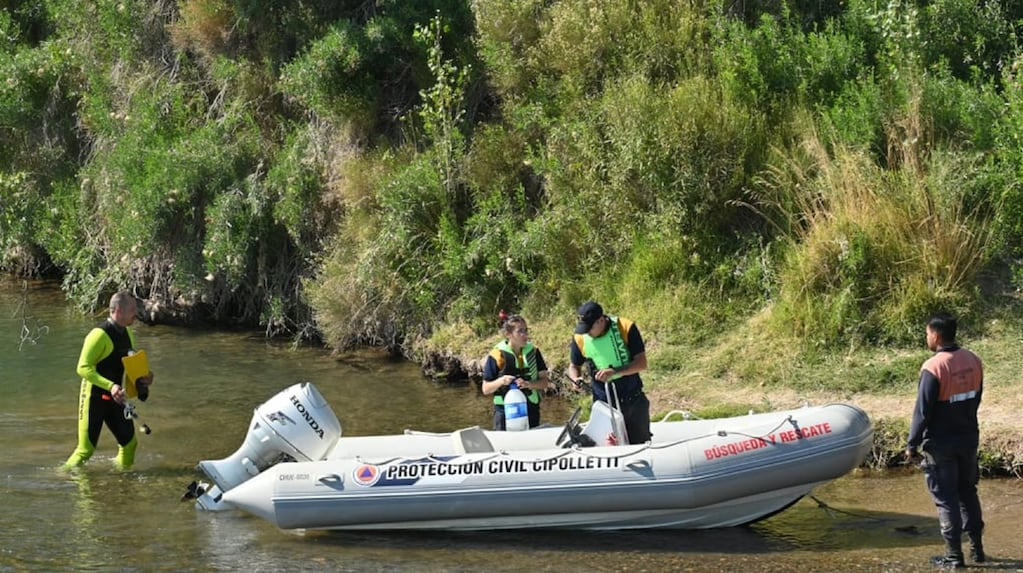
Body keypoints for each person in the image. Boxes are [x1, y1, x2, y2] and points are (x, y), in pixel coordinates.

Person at [905, 312, 985, 568]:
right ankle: (977, 550)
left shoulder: (933, 367)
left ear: (936, 335)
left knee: (946, 498)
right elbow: (976, 398)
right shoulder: (973, 360)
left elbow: (922, 411)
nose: (927, 337)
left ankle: (954, 556)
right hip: (968, 438)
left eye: (927, 333)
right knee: (968, 492)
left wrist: (911, 445)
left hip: (941, 444)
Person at [64, 291, 154, 470]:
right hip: (93, 399)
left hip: (116, 399)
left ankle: (122, 479)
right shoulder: (98, 335)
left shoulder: (128, 333)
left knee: (129, 444)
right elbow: (82, 368)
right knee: (85, 451)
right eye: (132, 310)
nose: (136, 314)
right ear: (118, 310)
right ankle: (61, 477)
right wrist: (110, 386)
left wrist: (145, 377)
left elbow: (131, 364)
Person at [567, 301, 650, 444]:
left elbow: (641, 363)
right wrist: (576, 379)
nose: (587, 332)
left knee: (640, 445)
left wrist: (615, 371)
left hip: (633, 401)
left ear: (601, 320)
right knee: (606, 446)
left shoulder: (625, 327)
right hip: (603, 406)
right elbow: (574, 366)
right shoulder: (580, 338)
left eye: (589, 328)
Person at [481, 314, 551, 430]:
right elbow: (486, 389)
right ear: (508, 334)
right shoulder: (497, 355)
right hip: (505, 411)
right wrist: (501, 381)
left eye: (526, 330)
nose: (525, 334)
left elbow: (544, 382)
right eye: (520, 331)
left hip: (530, 409)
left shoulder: (534, 352)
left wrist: (529, 384)